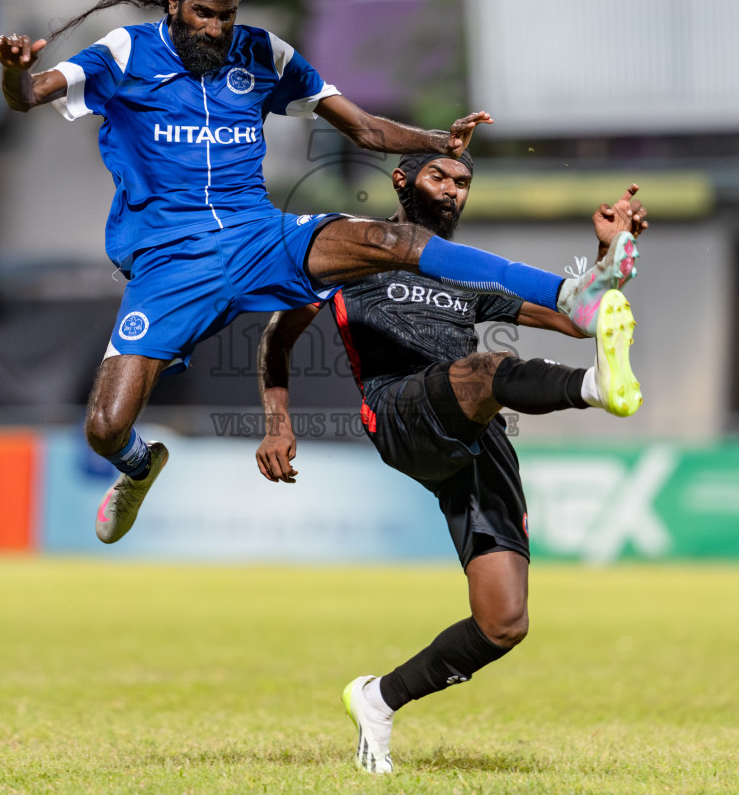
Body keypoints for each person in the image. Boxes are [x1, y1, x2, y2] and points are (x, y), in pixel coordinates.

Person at [0, 0, 633, 545]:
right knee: (105, 428)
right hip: (170, 263)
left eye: (227, 15)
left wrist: (438, 140)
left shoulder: (265, 55)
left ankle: (574, 294)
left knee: (388, 240)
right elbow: (29, 95)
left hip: (257, 236)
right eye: (205, 13)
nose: (217, 27)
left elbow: (366, 130)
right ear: (174, 4)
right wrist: (13, 72)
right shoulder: (124, 53)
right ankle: (141, 468)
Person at [253, 153, 648, 774]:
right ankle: (594, 389)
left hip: (473, 429)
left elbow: (578, 316)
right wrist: (277, 421)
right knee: (488, 367)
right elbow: (278, 335)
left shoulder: (468, 276)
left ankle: (378, 700)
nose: (454, 191)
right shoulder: (353, 253)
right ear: (402, 180)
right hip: (399, 412)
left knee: (503, 622)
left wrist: (608, 255)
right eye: (441, 177)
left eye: (463, 183)